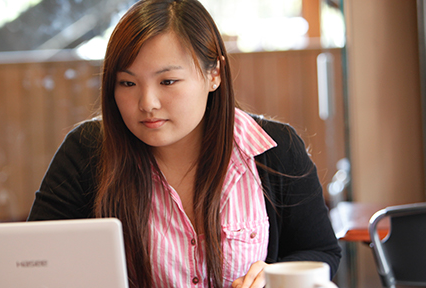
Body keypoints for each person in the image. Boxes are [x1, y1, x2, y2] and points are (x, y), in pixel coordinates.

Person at [27, 0, 342, 287]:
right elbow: (34, 263)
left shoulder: (275, 148)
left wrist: (274, 276)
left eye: (167, 82)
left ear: (214, 74)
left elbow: (319, 250)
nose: (147, 102)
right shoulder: (85, 151)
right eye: (127, 83)